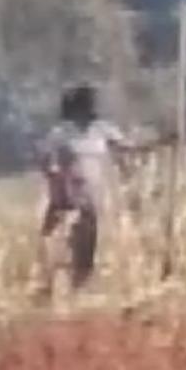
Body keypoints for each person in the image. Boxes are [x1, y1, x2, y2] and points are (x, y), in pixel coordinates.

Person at [38, 84, 145, 293]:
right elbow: (45, 158)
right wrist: (54, 173)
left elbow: (128, 147)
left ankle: (78, 289)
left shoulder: (102, 130)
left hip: (90, 200)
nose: (90, 108)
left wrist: (161, 142)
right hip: (65, 198)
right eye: (86, 104)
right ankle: (47, 286)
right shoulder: (62, 132)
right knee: (54, 246)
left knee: (86, 250)